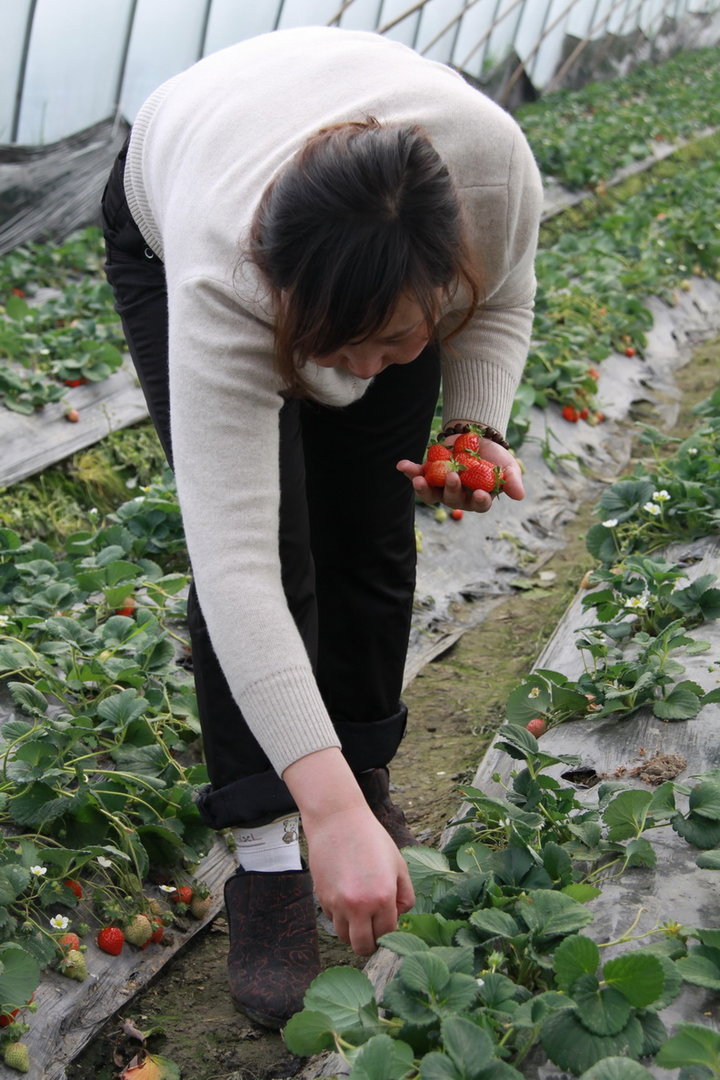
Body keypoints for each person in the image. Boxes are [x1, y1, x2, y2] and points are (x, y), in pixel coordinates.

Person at [100, 24, 543, 1029]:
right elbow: (239, 570)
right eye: (336, 351)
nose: (357, 373)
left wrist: (472, 424)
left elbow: (505, 289)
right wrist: (319, 810)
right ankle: (266, 854)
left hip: (363, 227)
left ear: (442, 269)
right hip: (180, 198)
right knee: (276, 551)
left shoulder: (489, 173)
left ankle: (365, 766)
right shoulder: (224, 280)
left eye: (393, 341)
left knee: (371, 522)